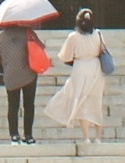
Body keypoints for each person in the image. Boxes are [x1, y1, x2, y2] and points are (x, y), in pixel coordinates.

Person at [45, 8, 112, 148]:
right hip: (96, 69)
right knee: (96, 101)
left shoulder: (73, 37)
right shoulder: (98, 34)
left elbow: (64, 56)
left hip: (80, 68)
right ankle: (98, 137)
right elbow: (102, 50)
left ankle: (86, 137)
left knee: (82, 102)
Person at [0, 19, 50, 143]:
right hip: (29, 74)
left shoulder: (1, 37)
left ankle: (14, 135)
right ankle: (28, 135)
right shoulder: (28, 32)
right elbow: (41, 47)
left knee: (13, 106)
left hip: (11, 76)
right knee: (29, 105)